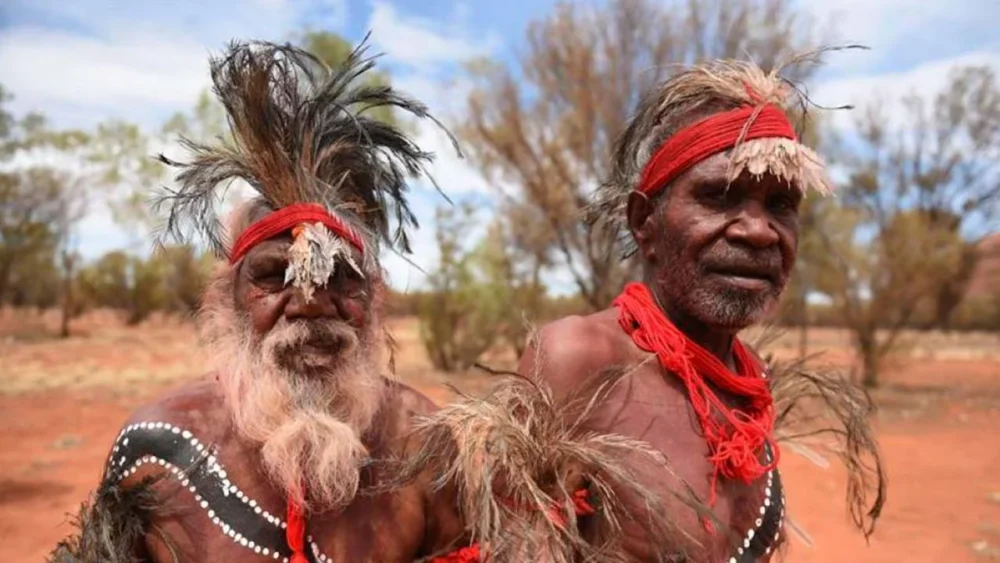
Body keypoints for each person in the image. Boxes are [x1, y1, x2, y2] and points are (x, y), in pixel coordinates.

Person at [404, 54, 887, 562]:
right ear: (644, 222)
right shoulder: (579, 361)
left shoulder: (750, 381)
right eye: (720, 196)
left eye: (781, 205)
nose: (759, 230)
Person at [49, 38, 469, 563]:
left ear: (375, 298)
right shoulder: (160, 446)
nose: (311, 303)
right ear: (228, 299)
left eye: (342, 279)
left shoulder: (420, 441)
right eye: (274, 276)